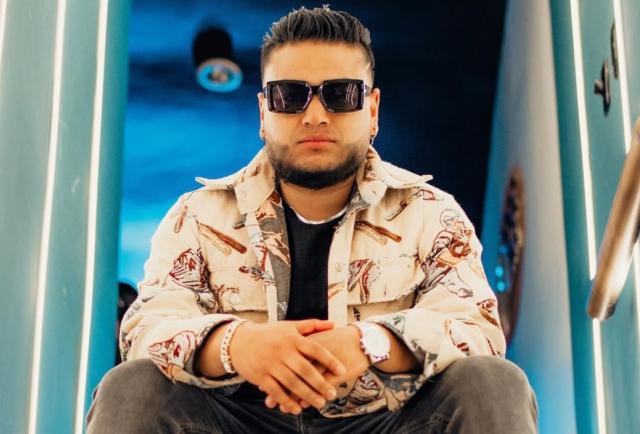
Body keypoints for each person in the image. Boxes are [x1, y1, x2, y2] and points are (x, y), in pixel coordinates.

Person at [87, 6, 537, 433]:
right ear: (264, 112)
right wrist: (236, 346)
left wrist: (371, 342)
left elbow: (478, 330)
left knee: (491, 382)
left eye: (341, 94)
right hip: (235, 420)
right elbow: (146, 329)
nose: (315, 115)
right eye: (290, 96)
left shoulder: (431, 212)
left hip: (387, 420)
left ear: (372, 110)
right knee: (133, 386)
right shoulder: (197, 215)